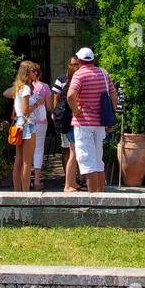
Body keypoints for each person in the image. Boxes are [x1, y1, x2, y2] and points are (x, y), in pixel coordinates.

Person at [66, 47, 116, 193]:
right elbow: (113, 97)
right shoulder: (104, 73)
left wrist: (76, 110)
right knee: (98, 161)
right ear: (93, 59)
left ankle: (93, 198)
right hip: (100, 123)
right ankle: (101, 196)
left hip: (84, 124)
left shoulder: (79, 75)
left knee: (87, 162)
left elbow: (70, 95)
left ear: (79, 60)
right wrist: (110, 118)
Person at [53, 57, 81, 192]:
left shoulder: (68, 85)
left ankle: (72, 182)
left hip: (69, 122)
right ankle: (68, 184)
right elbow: (68, 101)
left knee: (73, 153)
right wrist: (78, 110)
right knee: (73, 153)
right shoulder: (70, 87)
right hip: (72, 122)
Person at [30, 71, 51, 191]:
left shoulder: (23, 86)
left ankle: (26, 179)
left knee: (26, 152)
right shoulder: (45, 87)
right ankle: (37, 181)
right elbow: (49, 107)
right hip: (41, 122)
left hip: (27, 122)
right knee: (38, 150)